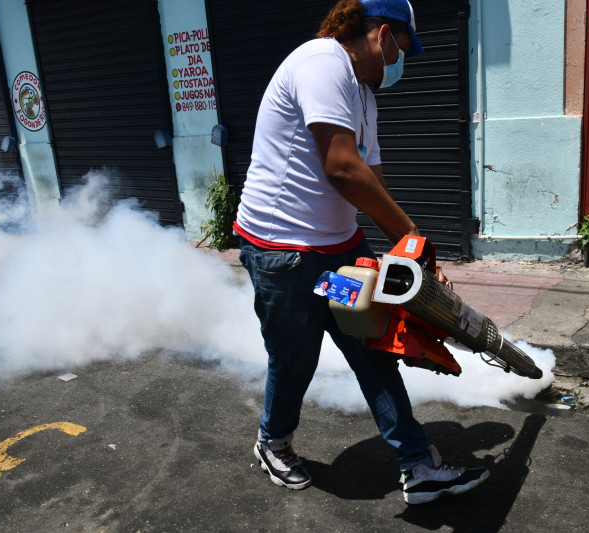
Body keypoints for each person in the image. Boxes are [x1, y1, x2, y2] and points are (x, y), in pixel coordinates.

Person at [234, 0, 489, 504]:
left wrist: (407, 250)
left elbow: (371, 178)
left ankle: (418, 466)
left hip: (339, 247)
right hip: (281, 250)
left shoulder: (364, 95)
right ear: (382, 34)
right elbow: (342, 169)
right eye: (402, 50)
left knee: (375, 349)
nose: (400, 64)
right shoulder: (321, 64)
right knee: (294, 360)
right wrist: (413, 231)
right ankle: (273, 443)